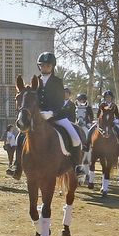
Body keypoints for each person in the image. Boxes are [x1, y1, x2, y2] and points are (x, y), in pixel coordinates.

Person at [32, 51, 88, 179]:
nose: (45, 67)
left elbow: (59, 101)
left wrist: (52, 112)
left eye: (48, 65)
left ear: (52, 67)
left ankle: (77, 166)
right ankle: (17, 165)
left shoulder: (57, 82)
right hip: (38, 117)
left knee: (75, 138)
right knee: (21, 136)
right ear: (39, 66)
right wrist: (37, 112)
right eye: (42, 65)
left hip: (56, 116)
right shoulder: (35, 81)